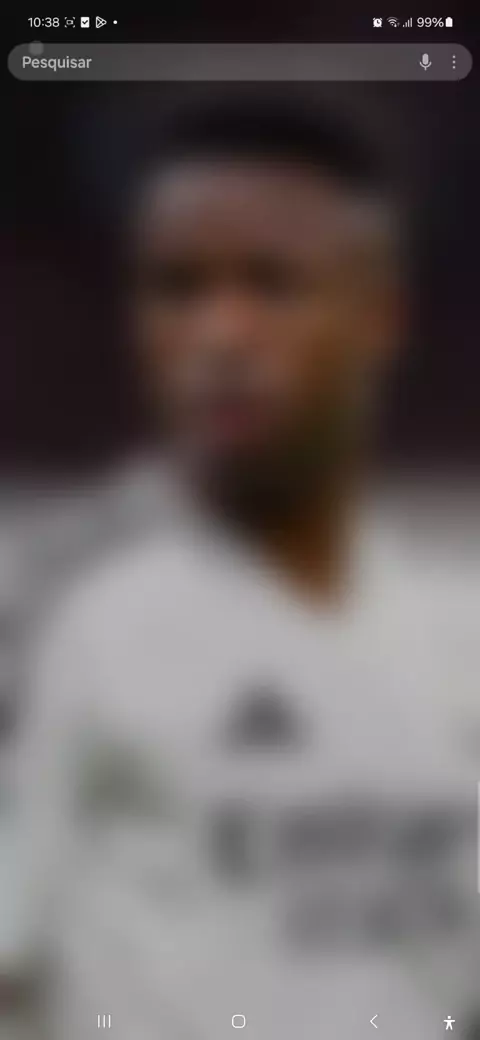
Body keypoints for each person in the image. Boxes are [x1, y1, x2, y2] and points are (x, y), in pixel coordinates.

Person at [1, 93, 479, 1040]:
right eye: (179, 288)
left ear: (378, 315)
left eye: (273, 284)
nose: (222, 335)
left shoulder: (455, 630)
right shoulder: (49, 612)